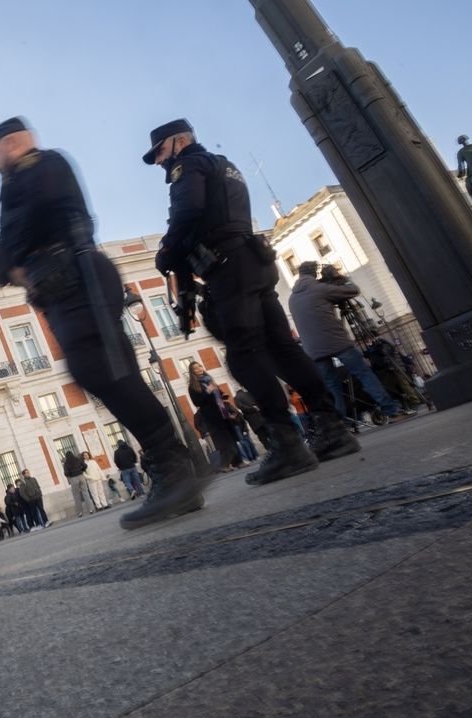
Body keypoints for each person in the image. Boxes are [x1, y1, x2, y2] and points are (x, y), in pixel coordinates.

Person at [0, 116, 207, 529]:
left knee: (107, 371)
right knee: (104, 374)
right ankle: (174, 468)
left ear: (13, 143)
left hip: (76, 276)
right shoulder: (16, 184)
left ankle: (173, 467)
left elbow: (23, 230)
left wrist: (4, 257)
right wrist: (5, 259)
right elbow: (9, 250)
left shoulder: (41, 166)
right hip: (62, 285)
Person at [143, 118, 359, 485]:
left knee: (243, 356)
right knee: (282, 348)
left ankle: (287, 444)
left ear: (180, 141)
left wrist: (166, 250)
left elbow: (188, 211)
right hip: (253, 261)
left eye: (161, 150)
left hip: (229, 268)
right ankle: (332, 428)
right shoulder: (225, 165)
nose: (161, 162)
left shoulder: (189, 165)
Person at [288, 261, 414, 425]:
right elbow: (353, 290)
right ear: (314, 273)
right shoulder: (320, 289)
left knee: (332, 386)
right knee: (363, 373)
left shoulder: (292, 298)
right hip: (337, 342)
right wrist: (341, 278)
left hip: (314, 350)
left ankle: (342, 423)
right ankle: (391, 410)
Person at [186, 363, 242, 471]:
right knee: (223, 441)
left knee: (231, 437)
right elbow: (197, 402)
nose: (199, 369)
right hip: (211, 416)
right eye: (195, 368)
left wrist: (221, 394)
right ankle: (225, 465)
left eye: (200, 366)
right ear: (192, 372)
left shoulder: (209, 380)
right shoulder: (192, 387)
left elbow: (218, 395)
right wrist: (208, 391)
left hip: (222, 412)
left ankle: (238, 462)